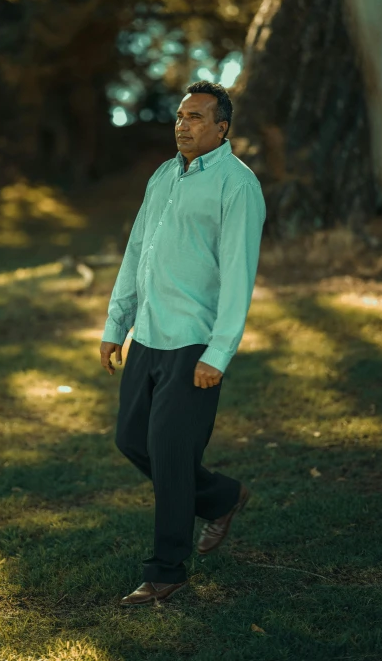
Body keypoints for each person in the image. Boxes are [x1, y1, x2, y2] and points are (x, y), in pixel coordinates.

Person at [100, 80, 266, 606]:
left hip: (194, 343)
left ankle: (166, 570)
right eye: (180, 116)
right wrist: (115, 324)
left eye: (196, 117)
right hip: (149, 333)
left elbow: (239, 276)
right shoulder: (164, 175)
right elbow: (136, 252)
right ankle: (221, 496)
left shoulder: (237, 186)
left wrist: (219, 354)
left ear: (222, 127)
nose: (183, 125)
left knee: (170, 457)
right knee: (132, 440)